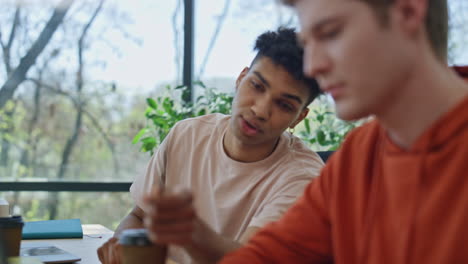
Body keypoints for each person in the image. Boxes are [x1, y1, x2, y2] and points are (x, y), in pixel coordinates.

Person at [220, 0, 468, 263]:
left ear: (408, 13)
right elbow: (269, 256)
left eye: (330, 33)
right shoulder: (358, 155)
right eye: (308, 44)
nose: (312, 67)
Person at [97, 27, 324, 264]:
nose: (260, 110)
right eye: (256, 86)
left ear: (299, 117)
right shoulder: (187, 135)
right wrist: (124, 246)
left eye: (284, 105)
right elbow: (138, 216)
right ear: (240, 79)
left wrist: (190, 230)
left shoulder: (304, 178)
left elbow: (251, 260)